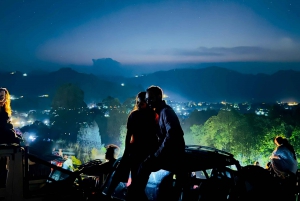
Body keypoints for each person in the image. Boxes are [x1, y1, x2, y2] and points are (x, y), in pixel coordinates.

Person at [126, 85, 186, 201]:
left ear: (159, 97)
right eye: (147, 99)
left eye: (151, 99)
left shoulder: (166, 112)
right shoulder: (161, 112)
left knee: (145, 166)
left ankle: (135, 192)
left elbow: (173, 133)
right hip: (170, 153)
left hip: (171, 154)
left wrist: (158, 153)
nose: (148, 102)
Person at [104, 92, 158, 199]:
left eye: (141, 102)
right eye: (137, 102)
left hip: (139, 153)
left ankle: (108, 195)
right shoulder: (150, 116)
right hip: (139, 153)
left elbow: (129, 136)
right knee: (136, 185)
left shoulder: (139, 116)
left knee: (134, 184)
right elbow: (129, 136)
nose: (138, 104)